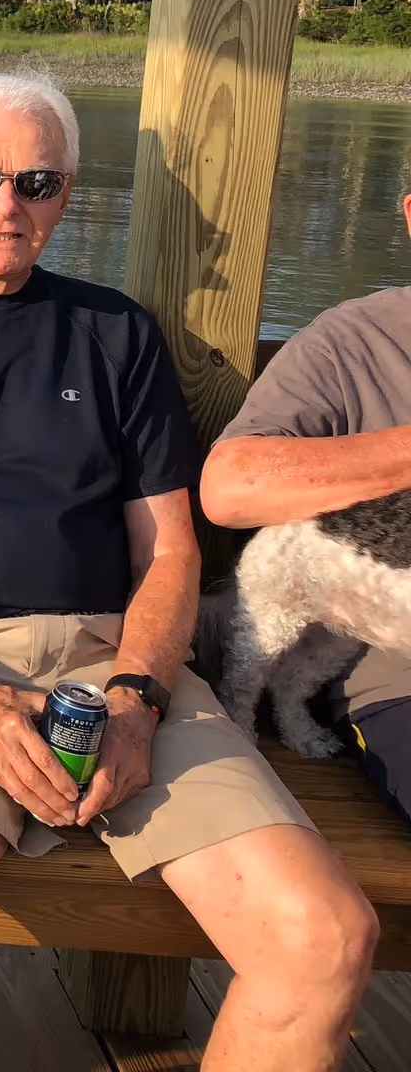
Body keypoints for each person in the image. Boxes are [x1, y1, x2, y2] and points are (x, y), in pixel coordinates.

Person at [0, 72, 378, 1072]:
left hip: (113, 659)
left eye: (36, 182)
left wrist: (137, 699)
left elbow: (170, 552)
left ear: (66, 195)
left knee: (324, 937)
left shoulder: (118, 335)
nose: (4, 205)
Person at [201, 195, 411, 824]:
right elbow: (229, 489)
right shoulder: (353, 342)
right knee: (263, 657)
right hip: (386, 659)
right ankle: (248, 723)